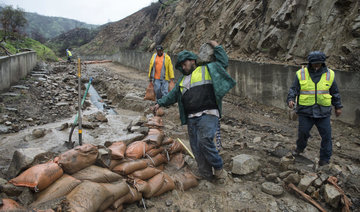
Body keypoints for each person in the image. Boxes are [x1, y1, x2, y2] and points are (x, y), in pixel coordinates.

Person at [153, 41, 236, 181]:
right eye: (182, 66)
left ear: (192, 60)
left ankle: (218, 167)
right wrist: (159, 103)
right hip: (192, 117)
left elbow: (223, 62)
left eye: (185, 64)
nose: (184, 67)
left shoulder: (207, 69)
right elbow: (172, 96)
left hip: (208, 113)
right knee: (196, 147)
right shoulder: (182, 81)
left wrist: (217, 46)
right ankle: (206, 174)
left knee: (205, 140)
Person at [287, 51, 343, 166]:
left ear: (323, 63)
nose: (316, 65)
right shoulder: (301, 74)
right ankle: (300, 148)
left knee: (326, 136)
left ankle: (324, 159)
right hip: (305, 111)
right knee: (303, 133)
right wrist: (291, 99)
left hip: (323, 112)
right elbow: (294, 89)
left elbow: (335, 92)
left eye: (319, 63)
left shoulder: (329, 74)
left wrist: (338, 106)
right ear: (310, 63)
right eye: (314, 63)